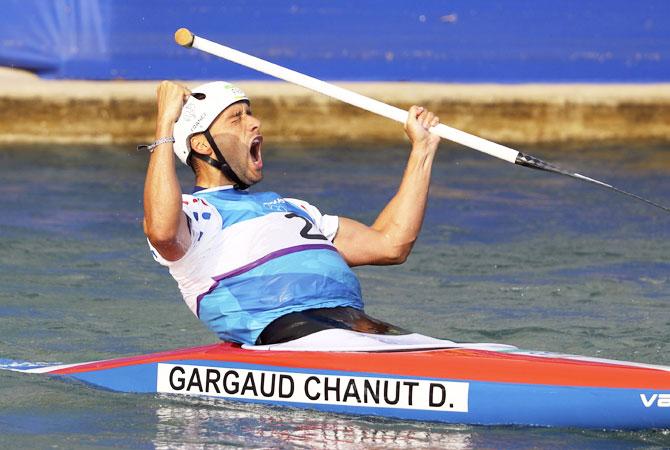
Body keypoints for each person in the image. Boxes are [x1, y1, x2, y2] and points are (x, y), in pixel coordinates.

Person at [143, 80, 441, 347]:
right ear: (201, 144)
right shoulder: (194, 213)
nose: (255, 122)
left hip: (354, 324)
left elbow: (391, 244)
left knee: (441, 350)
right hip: (287, 331)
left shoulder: (294, 208)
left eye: (250, 113)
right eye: (237, 118)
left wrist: (422, 150)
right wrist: (166, 123)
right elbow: (162, 232)